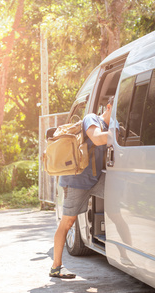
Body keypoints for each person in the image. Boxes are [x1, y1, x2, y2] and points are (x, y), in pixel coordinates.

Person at [49, 97, 113, 278]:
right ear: (108, 107)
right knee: (67, 223)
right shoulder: (92, 119)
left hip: (95, 179)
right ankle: (55, 267)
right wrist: (119, 134)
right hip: (76, 182)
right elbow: (98, 139)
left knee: (122, 198)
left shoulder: (109, 128)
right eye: (116, 109)